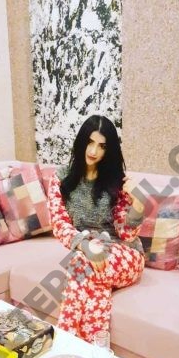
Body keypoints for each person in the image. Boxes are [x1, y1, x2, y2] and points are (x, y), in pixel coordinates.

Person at [47, 115, 145, 343]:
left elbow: (126, 233)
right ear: (81, 141)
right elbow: (59, 223)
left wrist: (139, 203)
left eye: (102, 146)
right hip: (88, 251)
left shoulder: (117, 182)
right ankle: (96, 350)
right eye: (90, 143)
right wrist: (85, 246)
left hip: (126, 255)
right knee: (93, 288)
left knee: (79, 265)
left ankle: (64, 344)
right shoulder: (61, 179)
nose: (94, 151)